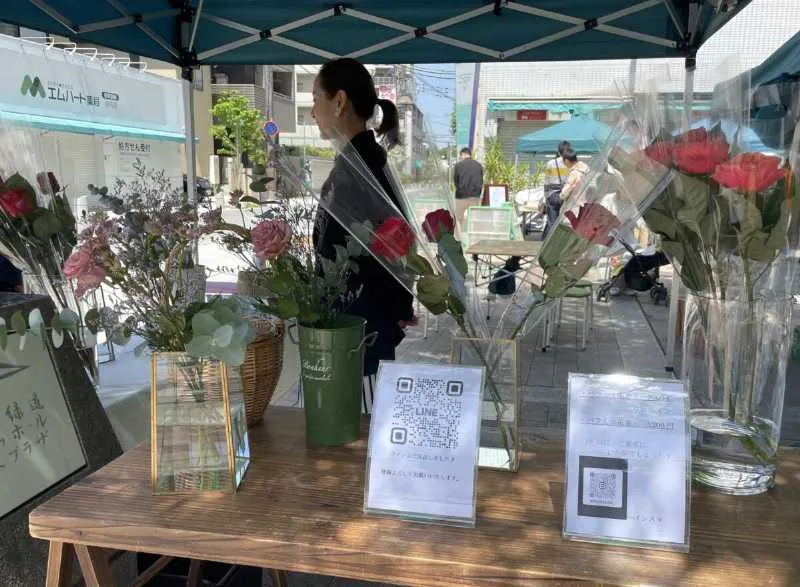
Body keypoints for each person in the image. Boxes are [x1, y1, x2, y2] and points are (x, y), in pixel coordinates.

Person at [311, 57, 415, 413]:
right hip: (366, 328)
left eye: (316, 100)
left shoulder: (356, 169)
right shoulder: (366, 159)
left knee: (358, 437)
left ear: (339, 101)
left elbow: (376, 250)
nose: (312, 112)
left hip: (357, 336)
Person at [542, 141, 571, 236]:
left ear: (558, 152)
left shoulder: (550, 163)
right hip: (566, 195)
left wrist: (545, 198)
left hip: (552, 195)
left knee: (552, 222)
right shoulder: (570, 163)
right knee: (565, 223)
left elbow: (546, 182)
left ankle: (547, 244)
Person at [453, 147, 483, 234]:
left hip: (461, 196)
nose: (460, 158)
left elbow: (455, 180)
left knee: (458, 219)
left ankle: (459, 239)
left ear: (463, 154)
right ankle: (473, 238)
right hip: (475, 196)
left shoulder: (458, 165)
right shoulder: (478, 165)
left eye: (460, 156)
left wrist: (459, 189)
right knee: (474, 219)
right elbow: (481, 180)